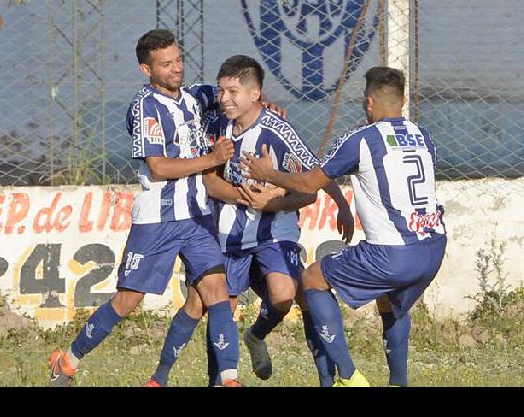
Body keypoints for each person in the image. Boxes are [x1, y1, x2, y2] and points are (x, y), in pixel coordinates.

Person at [48, 29, 245, 387]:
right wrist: (211, 158)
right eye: (166, 64)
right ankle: (67, 359)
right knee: (128, 301)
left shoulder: (194, 97)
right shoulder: (145, 108)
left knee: (217, 292)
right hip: (158, 219)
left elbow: (233, 95)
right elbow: (159, 167)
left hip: (197, 216)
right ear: (146, 69)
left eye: (179, 60)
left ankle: (230, 379)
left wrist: (264, 108)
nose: (176, 69)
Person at [144, 55, 352, 387]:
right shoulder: (214, 125)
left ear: (255, 94)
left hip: (274, 231)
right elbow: (210, 181)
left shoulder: (277, 128)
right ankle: (172, 376)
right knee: (208, 304)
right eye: (222, 90)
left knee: (287, 295)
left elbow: (315, 173)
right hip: (227, 233)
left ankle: (260, 337)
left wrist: (340, 204)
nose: (224, 99)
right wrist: (244, 196)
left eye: (233, 91)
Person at [241, 66, 447, 387]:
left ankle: (348, 377)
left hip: (392, 253)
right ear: (403, 101)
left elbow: (310, 182)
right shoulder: (424, 137)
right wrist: (346, 207)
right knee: (390, 299)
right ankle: (398, 382)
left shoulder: (360, 140)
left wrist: (269, 174)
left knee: (312, 280)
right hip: (432, 248)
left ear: (368, 103)